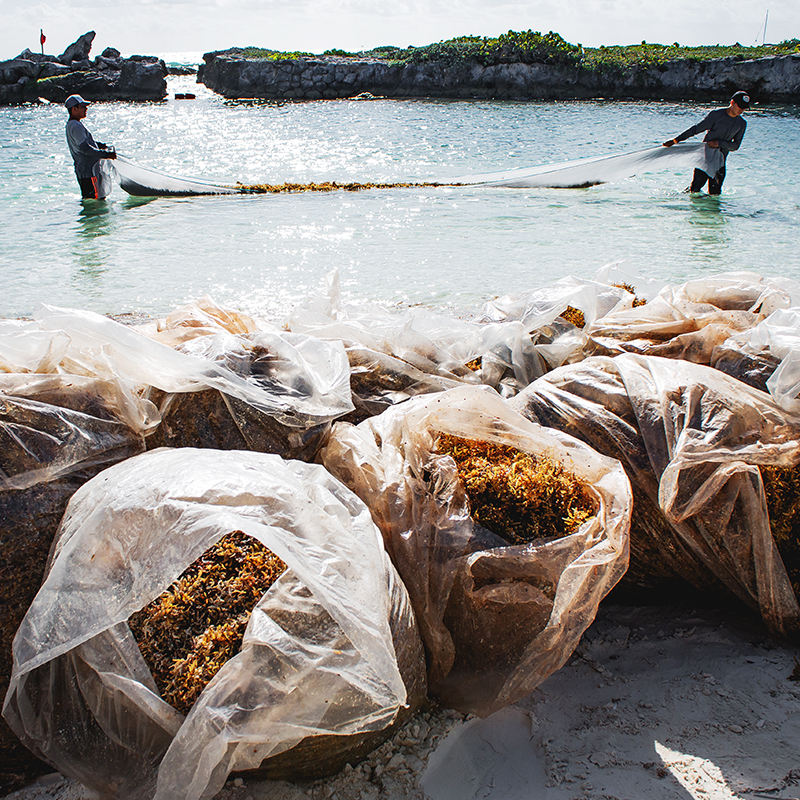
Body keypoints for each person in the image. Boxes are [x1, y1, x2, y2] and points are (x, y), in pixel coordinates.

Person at [662, 90, 750, 195]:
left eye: (744, 107)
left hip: (719, 164)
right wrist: (675, 140)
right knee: (695, 190)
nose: (742, 109)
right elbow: (696, 129)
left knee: (715, 194)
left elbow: (735, 146)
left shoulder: (742, 124)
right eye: (740, 106)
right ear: (732, 103)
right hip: (704, 160)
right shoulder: (716, 116)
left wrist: (719, 143)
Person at [65, 94, 117, 199]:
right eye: (83, 107)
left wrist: (100, 145)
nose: (86, 109)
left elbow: (85, 144)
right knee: (95, 200)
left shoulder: (71, 125)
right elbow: (85, 149)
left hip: (84, 171)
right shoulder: (76, 126)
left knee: (90, 199)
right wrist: (106, 155)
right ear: (74, 109)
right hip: (88, 172)